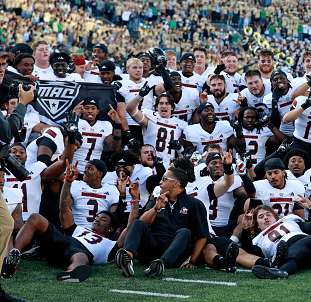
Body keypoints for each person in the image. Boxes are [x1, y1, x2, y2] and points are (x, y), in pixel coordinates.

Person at [2, 161, 140, 282]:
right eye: (97, 217)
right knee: (35, 218)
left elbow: (131, 226)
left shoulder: (112, 245)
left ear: (111, 228)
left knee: (81, 257)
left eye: (103, 219)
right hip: (62, 242)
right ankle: (11, 259)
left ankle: (72, 273)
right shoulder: (79, 230)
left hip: (76, 253)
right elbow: (64, 209)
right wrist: (67, 181)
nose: (97, 219)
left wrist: (134, 199)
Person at [115, 168, 209, 277]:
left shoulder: (195, 204)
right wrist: (156, 209)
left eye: (164, 179)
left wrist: (192, 261)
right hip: (151, 248)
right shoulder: (156, 201)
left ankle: (161, 264)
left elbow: (202, 237)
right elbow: (141, 224)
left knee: (185, 232)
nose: (160, 182)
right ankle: (127, 258)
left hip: (175, 254)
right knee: (137, 223)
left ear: (176, 183)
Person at [127, 91, 187, 168]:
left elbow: (181, 152)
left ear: (172, 107)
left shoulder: (181, 125)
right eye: (161, 103)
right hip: (149, 165)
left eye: (167, 103)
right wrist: (140, 96)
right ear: (156, 107)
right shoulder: (150, 118)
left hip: (168, 165)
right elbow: (130, 109)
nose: (163, 106)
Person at [71, 97, 122, 172]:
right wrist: (73, 117)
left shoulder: (105, 125)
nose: (90, 111)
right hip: (74, 168)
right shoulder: (76, 122)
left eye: (93, 108)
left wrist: (118, 124)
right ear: (81, 110)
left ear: (97, 111)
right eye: (86, 108)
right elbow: (66, 143)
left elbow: (115, 148)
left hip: (93, 171)